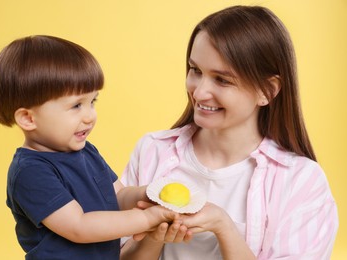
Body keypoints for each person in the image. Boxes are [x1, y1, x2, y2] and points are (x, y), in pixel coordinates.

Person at [120, 5, 338, 259]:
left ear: (267, 90)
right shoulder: (151, 151)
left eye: (222, 80)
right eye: (195, 71)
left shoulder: (301, 181)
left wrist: (223, 226)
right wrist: (153, 236)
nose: (199, 93)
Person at [0, 35, 179, 260]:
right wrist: (147, 219)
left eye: (93, 102)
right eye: (76, 105)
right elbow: (79, 226)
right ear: (29, 119)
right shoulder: (30, 172)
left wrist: (149, 195)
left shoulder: (85, 151)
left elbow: (117, 197)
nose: (90, 116)